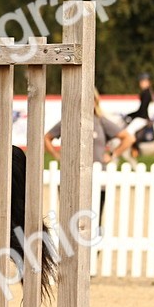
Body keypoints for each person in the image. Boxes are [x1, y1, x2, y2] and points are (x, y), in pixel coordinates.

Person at [44, 90, 132, 220]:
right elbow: (47, 138)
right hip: (71, 178)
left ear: (95, 102)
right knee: (69, 220)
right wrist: (57, 155)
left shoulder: (101, 122)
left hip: (97, 180)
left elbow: (128, 138)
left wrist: (112, 155)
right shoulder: (69, 121)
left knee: (95, 221)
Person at [125, 72, 154, 139]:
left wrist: (131, 115)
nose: (140, 83)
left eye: (142, 81)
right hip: (144, 117)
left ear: (147, 82)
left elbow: (142, 110)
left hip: (142, 118)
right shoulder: (147, 92)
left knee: (128, 132)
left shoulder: (146, 93)